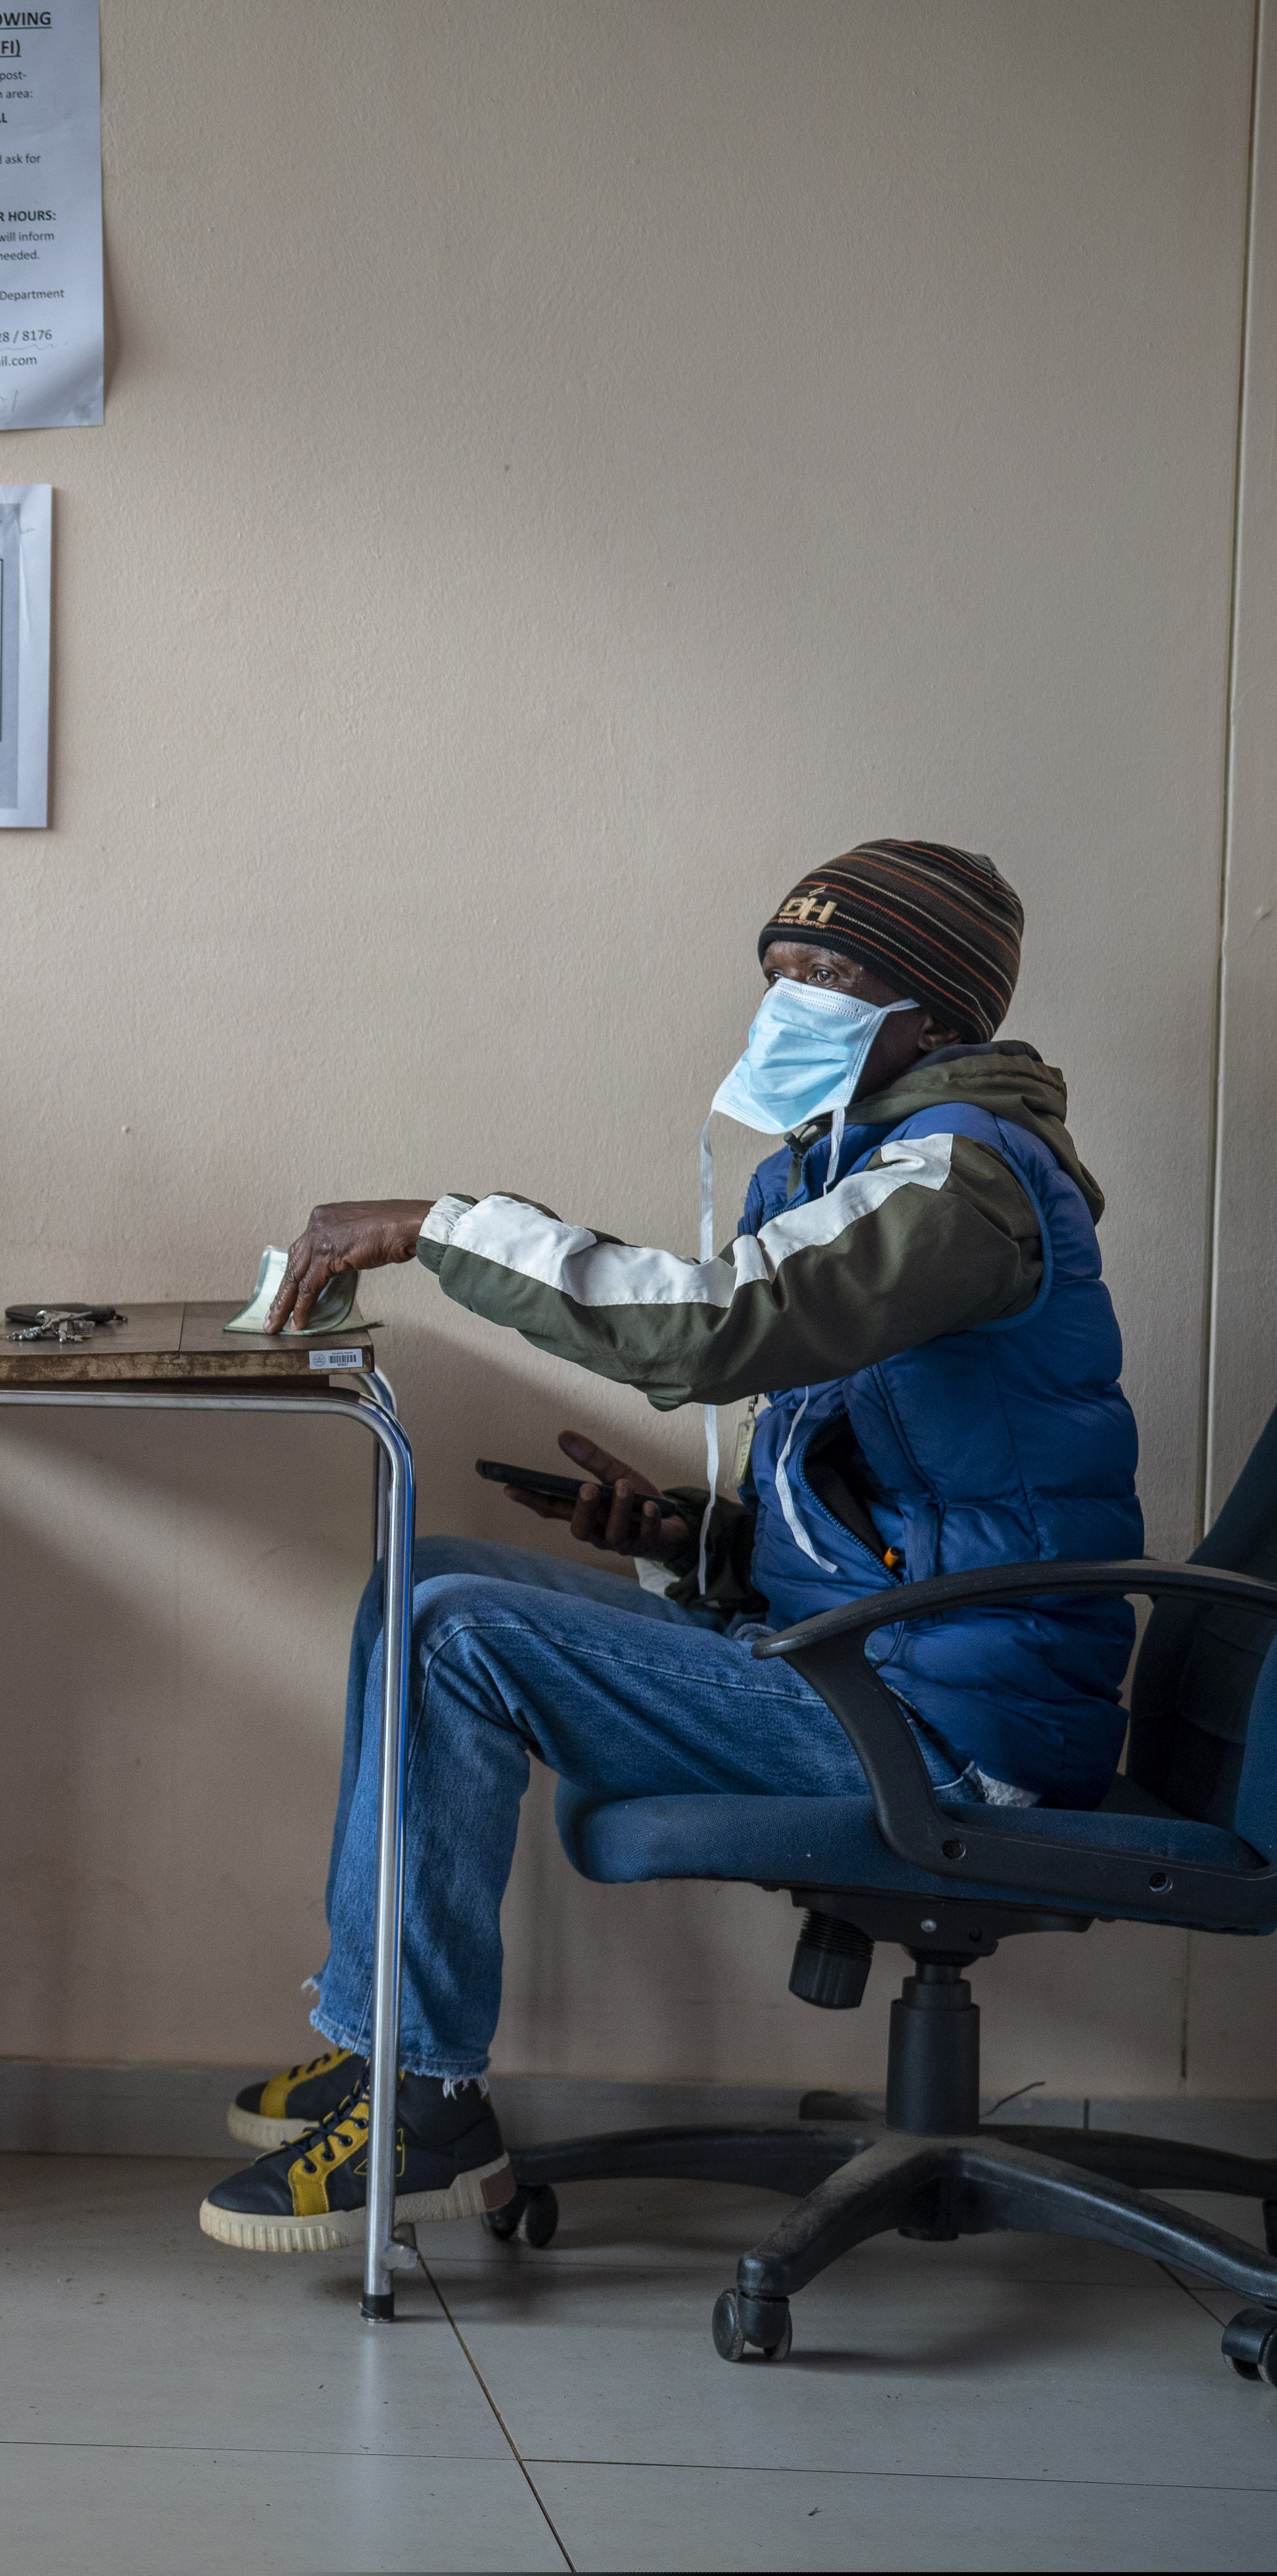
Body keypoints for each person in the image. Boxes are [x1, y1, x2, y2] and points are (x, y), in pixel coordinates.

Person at [202, 840, 1131, 2251]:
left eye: (828, 978)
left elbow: (712, 1328)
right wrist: (698, 1545)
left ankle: (426, 2094)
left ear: (934, 1021)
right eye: (779, 974)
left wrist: (437, 1228)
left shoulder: (963, 1183)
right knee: (433, 1577)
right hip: (875, 1663)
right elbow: (894, 1493)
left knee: (457, 1638)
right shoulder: (869, 1168)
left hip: (955, 1730)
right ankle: (379, 2033)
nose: (787, 1004)